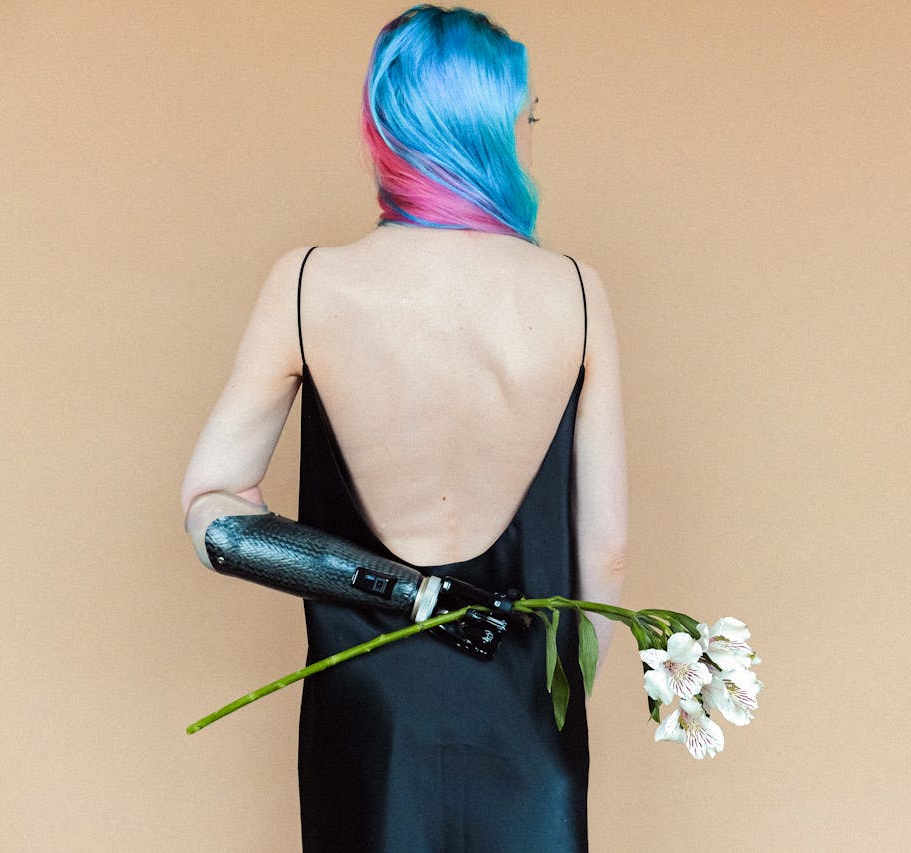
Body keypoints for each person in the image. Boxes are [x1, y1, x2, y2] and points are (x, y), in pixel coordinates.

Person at [180, 6, 627, 851]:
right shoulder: (576, 292)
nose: (532, 134)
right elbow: (605, 555)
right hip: (528, 713)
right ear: (491, 127)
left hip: (369, 725)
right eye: (527, 116)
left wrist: (396, 591)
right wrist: (557, 695)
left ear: (386, 127)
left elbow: (217, 517)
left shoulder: (309, 285)